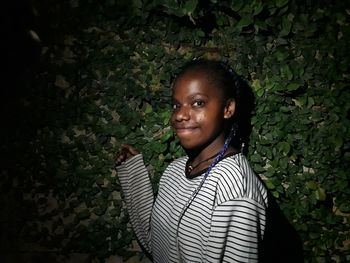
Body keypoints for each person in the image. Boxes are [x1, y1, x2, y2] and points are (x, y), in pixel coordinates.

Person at [115, 59, 303, 262]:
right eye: (177, 105)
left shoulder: (234, 188)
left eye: (198, 103)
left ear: (227, 108)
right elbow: (157, 242)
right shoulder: (175, 170)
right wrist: (133, 173)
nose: (179, 115)